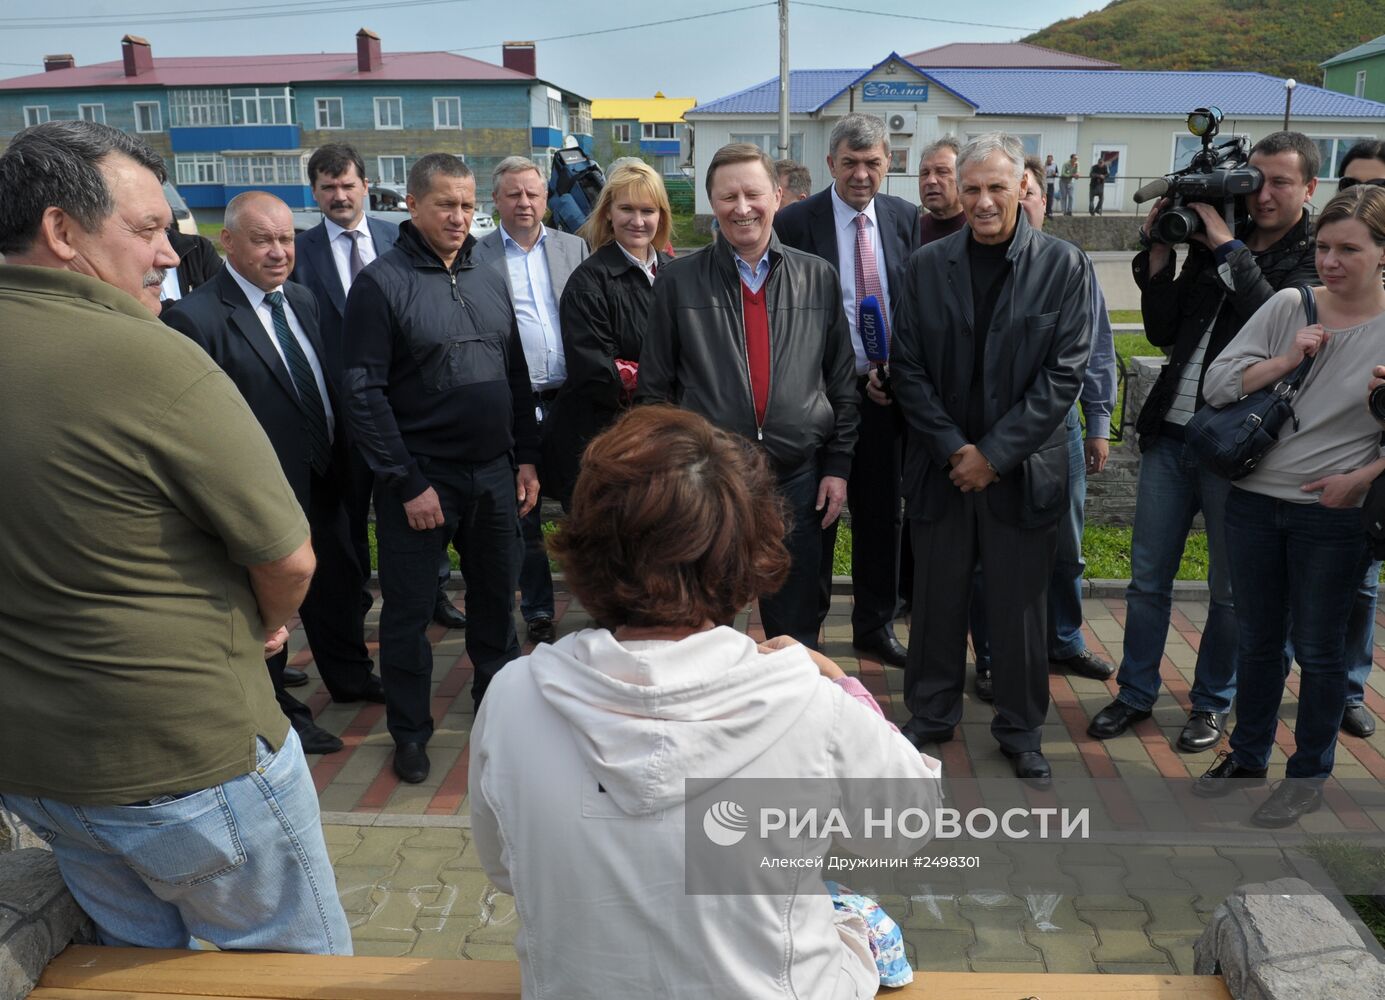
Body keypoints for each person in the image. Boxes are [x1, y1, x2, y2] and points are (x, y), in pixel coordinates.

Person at [0, 120, 349, 952]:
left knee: (140, 969)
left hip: (41, 768)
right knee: (295, 975)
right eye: (149, 229)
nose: (168, 255)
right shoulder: (147, 354)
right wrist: (269, 622)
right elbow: (287, 555)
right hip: (187, 760)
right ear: (61, 231)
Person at [469, 404, 941, 999]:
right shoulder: (809, 702)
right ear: (748, 552)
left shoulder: (515, 695)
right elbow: (909, 824)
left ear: (590, 542)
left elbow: (506, 869)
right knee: (852, 915)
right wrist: (845, 688)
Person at [1088, 132, 1320, 753]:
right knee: (1147, 578)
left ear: (1310, 189)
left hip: (1240, 445)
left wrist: (1226, 245)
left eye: (1279, 183)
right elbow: (1164, 330)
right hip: (1173, 434)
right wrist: (1161, 252)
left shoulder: (1308, 257)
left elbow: (1283, 326)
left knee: (1230, 591)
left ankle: (1210, 703)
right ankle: (1135, 692)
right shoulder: (1213, 242)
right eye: (1255, 181)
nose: (1263, 195)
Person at [892, 133, 1093, 788]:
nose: (982, 201)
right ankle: (929, 715)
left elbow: (1062, 379)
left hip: (1020, 473)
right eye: (970, 188)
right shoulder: (924, 266)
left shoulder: (1061, 265)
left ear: (1020, 188)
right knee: (936, 602)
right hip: (942, 468)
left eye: (995, 188)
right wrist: (956, 450)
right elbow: (908, 370)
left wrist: (994, 455)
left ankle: (1019, 729)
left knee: (1019, 614)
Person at [342, 153, 541, 784]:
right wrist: (406, 481)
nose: (460, 218)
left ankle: (497, 718)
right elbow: (363, 393)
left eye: (467, 205)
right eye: (445, 206)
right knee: (405, 616)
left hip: (495, 473)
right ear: (413, 205)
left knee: (495, 604)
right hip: (423, 482)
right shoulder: (381, 283)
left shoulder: (489, 271)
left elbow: (514, 370)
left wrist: (525, 456)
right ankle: (410, 732)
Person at [162, 191, 384, 756]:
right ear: (227, 242)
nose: (279, 251)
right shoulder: (196, 318)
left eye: (286, 238)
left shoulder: (303, 300)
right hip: (262, 491)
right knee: (270, 602)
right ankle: (283, 712)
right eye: (263, 240)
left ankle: (351, 677)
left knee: (337, 583)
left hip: (325, 474)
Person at [1195, 184, 1385, 826]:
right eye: (1324, 247)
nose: (1330, 261)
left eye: (1349, 250)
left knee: (1321, 650)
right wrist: (1285, 358)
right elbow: (1217, 383)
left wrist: (1360, 479)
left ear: (1382, 253)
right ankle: (1248, 755)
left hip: (1332, 513)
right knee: (1257, 642)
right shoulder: (1289, 303)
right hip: (1252, 501)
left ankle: (1308, 774)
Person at [636, 142, 859, 649]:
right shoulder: (677, 281)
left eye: (753, 194)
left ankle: (791, 717)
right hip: (710, 480)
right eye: (728, 196)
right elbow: (654, 392)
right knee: (701, 623)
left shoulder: (817, 277)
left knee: (797, 623)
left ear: (777, 197)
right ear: (711, 202)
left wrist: (838, 466)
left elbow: (842, 384)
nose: (742, 208)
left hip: (799, 477)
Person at [967, 157, 1118, 702]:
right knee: (989, 556)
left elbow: (1096, 350)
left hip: (1060, 434)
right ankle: (989, 654)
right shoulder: (966, 265)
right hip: (989, 437)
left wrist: (1098, 421)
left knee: (1065, 546)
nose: (1015, 203)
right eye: (985, 190)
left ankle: (1064, 636)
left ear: (1041, 201)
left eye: (1025, 192)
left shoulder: (1068, 266)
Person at [775, 113, 920, 667]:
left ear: (888, 165)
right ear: (830, 164)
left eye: (873, 163)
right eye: (851, 163)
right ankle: (804, 629)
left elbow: (914, 308)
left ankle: (874, 625)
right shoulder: (795, 223)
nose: (862, 174)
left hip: (884, 396)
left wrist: (897, 372)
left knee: (882, 516)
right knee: (817, 513)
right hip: (817, 396)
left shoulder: (908, 221)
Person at [469, 156, 589, 646]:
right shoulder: (477, 256)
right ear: (495, 200)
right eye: (513, 194)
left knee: (588, 504)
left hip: (571, 398)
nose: (524, 203)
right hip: (514, 401)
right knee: (526, 511)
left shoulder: (573, 246)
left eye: (532, 194)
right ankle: (538, 608)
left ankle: (600, 598)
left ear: (545, 198)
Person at [543, 160, 673, 508]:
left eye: (648, 210)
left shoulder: (678, 275)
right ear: (608, 214)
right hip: (604, 451)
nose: (638, 220)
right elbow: (597, 373)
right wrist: (666, 379)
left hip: (665, 447)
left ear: (661, 215)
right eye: (626, 209)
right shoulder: (588, 283)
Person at [1331, 140, 1385, 739]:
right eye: (1349, 181)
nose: (1362, 194)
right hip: (1314, 456)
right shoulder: (1324, 259)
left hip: (1373, 469)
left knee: (1361, 585)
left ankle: (1348, 687)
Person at [918, 135, 966, 245]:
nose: (930, 180)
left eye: (942, 172)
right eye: (925, 173)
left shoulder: (979, 231)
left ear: (963, 177)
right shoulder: (912, 233)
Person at [161, 225, 221, 304]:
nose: (175, 261)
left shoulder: (199, 248)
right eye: (149, 229)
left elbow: (225, 299)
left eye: (164, 231)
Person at [1044, 153, 1058, 219]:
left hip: (1051, 183)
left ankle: (1049, 212)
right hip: (1045, 183)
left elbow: (1057, 173)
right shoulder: (1044, 166)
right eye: (1048, 159)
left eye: (1050, 159)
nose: (1049, 161)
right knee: (1045, 198)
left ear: (1052, 160)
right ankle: (1046, 212)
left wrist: (1054, 174)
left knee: (1050, 198)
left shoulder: (1055, 165)